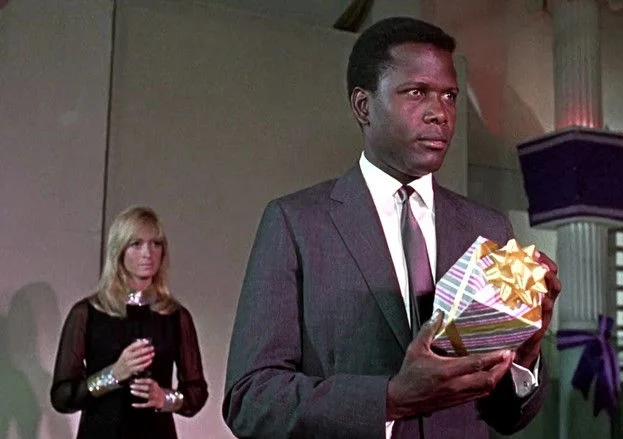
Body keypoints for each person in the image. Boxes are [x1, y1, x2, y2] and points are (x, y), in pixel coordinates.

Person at [223, 16, 561, 439]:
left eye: (450, 96)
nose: (440, 113)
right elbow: (250, 400)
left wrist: (526, 353)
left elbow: (506, 418)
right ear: (363, 106)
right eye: (417, 92)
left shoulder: (486, 227)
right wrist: (391, 398)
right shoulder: (296, 224)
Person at [50, 206, 208, 439]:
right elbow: (62, 397)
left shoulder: (175, 316)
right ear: (119, 250)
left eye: (155, 244)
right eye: (136, 244)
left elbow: (196, 392)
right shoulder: (87, 313)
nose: (148, 253)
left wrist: (164, 398)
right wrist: (112, 375)